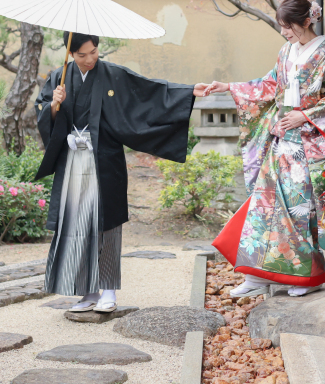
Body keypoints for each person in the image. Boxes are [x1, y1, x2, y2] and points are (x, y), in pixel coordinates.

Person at [204, 0, 325, 298]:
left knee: (298, 211)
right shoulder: (286, 51)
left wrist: (304, 115)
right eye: (281, 26)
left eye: (288, 25)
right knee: (263, 205)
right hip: (282, 139)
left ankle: (308, 276)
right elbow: (271, 85)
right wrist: (229, 86)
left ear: (307, 20)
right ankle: (256, 275)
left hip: (311, 143)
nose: (284, 32)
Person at [34, 32, 207, 312]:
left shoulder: (113, 74)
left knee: (107, 225)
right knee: (77, 224)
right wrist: (54, 105)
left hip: (104, 160)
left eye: (93, 52)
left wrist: (187, 92)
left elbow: (148, 91)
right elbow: (43, 114)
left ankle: (109, 291)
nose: (89, 59)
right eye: (82, 55)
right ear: (70, 54)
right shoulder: (58, 78)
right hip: (72, 160)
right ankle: (87, 292)